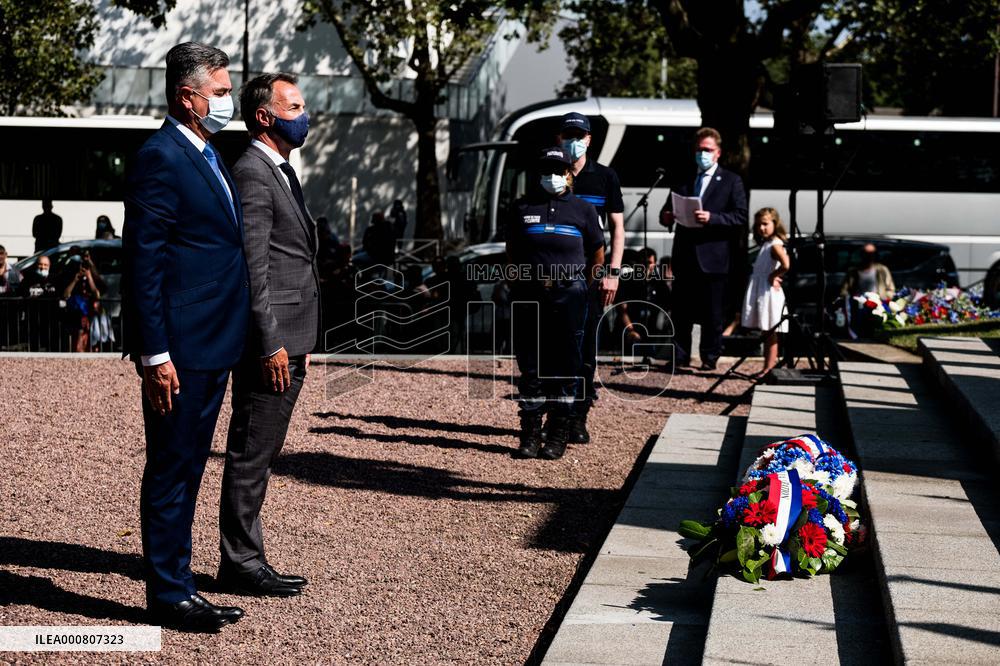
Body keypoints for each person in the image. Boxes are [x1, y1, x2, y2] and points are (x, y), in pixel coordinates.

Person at [122, 41, 250, 633]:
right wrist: (155, 353)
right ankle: (170, 593)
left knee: (190, 466)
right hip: (182, 346)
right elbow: (142, 263)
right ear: (188, 97)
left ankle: (181, 582)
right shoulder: (161, 156)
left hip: (214, 341)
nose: (227, 101)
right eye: (220, 93)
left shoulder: (207, 151)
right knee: (173, 469)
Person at [218, 72, 318, 598]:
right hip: (272, 343)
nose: (305, 116)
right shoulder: (254, 172)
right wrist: (271, 342)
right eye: (295, 107)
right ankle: (239, 563)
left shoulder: (279, 170)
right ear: (265, 115)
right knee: (252, 452)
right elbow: (254, 268)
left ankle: (247, 556)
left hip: (292, 336)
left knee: (261, 452)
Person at [506, 147, 604, 460]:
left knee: (567, 365)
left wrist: (580, 286)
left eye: (558, 170)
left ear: (568, 174)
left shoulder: (583, 210)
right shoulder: (522, 208)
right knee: (531, 365)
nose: (552, 176)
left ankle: (559, 432)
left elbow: (597, 254)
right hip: (530, 294)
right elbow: (512, 252)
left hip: (569, 294)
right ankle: (530, 434)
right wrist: (518, 281)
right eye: (546, 170)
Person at [557, 112, 624, 444]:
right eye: (567, 134)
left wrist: (612, 272)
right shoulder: (551, 174)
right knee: (554, 349)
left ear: (589, 140)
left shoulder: (605, 177)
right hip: (556, 277)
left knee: (585, 351)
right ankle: (556, 415)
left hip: (592, 277)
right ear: (559, 138)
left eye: (578, 135)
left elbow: (618, 229)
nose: (573, 140)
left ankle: (578, 417)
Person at [659, 127, 748, 371]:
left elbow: (740, 216)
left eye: (707, 150)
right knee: (681, 311)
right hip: (685, 254)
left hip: (714, 256)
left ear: (718, 153)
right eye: (699, 149)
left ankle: (709, 357)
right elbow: (667, 210)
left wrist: (713, 218)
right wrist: (667, 217)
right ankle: (680, 355)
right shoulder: (684, 179)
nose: (702, 154)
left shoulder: (731, 181)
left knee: (712, 312)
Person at [741, 208, 790, 376]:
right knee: (767, 331)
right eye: (758, 225)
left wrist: (773, 275)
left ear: (774, 224)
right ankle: (767, 367)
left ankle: (770, 368)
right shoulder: (766, 244)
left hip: (768, 292)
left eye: (765, 224)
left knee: (770, 331)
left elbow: (786, 264)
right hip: (762, 290)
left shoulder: (775, 244)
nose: (761, 228)